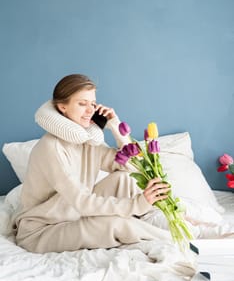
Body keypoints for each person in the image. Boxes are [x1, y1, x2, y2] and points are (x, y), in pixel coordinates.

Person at [13, 74, 171, 253]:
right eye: (82, 103)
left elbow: (133, 165)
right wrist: (138, 204)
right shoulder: (52, 148)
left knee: (125, 179)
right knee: (116, 224)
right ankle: (181, 240)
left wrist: (114, 125)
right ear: (62, 106)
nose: (90, 110)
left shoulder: (87, 141)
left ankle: (171, 222)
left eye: (93, 104)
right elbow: (82, 201)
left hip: (71, 213)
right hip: (42, 230)